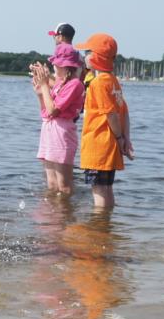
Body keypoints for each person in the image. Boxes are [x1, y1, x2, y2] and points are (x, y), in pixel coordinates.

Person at [75, 33, 133, 208]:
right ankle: (107, 221)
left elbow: (111, 114)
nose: (84, 56)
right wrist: (125, 138)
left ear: (96, 57)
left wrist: (120, 138)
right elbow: (124, 112)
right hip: (110, 146)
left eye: (87, 52)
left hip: (98, 146)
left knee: (99, 190)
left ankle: (99, 224)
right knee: (107, 188)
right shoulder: (113, 81)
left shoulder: (98, 83)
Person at [30, 43, 86, 195]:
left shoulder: (75, 84)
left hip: (62, 133)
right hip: (49, 131)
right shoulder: (59, 84)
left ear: (66, 67)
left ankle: (66, 209)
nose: (53, 67)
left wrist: (44, 85)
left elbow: (53, 110)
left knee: (64, 185)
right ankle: (54, 209)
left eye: (56, 64)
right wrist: (40, 92)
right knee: (52, 184)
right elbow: (45, 112)